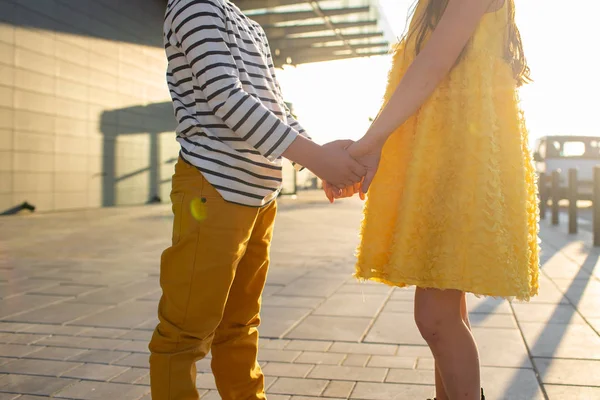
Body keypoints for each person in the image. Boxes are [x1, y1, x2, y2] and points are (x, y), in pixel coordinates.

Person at [148, 0, 366, 399]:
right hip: (212, 187)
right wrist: (318, 158)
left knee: (239, 326)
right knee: (184, 332)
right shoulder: (193, 7)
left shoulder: (249, 25)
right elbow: (226, 98)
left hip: (260, 195)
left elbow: (275, 108)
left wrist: (320, 157)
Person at [324, 0, 539, 399]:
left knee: (436, 318)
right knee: (446, 311)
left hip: (460, 165)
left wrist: (371, 144)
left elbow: (432, 65)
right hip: (447, 162)